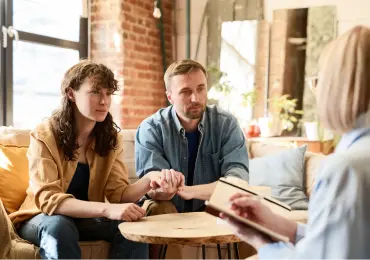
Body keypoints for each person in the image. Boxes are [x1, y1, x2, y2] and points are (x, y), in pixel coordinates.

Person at [221, 25, 370, 259]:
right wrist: (277, 224)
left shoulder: (344, 169)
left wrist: (261, 241)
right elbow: (342, 241)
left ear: (338, 89)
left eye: (319, 81)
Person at [9, 60, 183, 260]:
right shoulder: (44, 134)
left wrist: (150, 178)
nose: (104, 101)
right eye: (95, 92)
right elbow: (48, 200)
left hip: (86, 219)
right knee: (60, 226)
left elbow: (118, 195)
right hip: (40, 217)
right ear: (71, 93)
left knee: (131, 226)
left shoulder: (110, 140)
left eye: (108, 93)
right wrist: (107, 209)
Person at [135, 59, 249, 214]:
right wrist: (164, 189)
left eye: (200, 89)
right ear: (170, 97)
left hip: (210, 205)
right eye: (185, 92)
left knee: (235, 207)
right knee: (160, 208)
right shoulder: (151, 128)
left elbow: (238, 182)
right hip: (166, 205)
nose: (195, 98)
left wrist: (190, 191)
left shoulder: (225, 124)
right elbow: (150, 189)